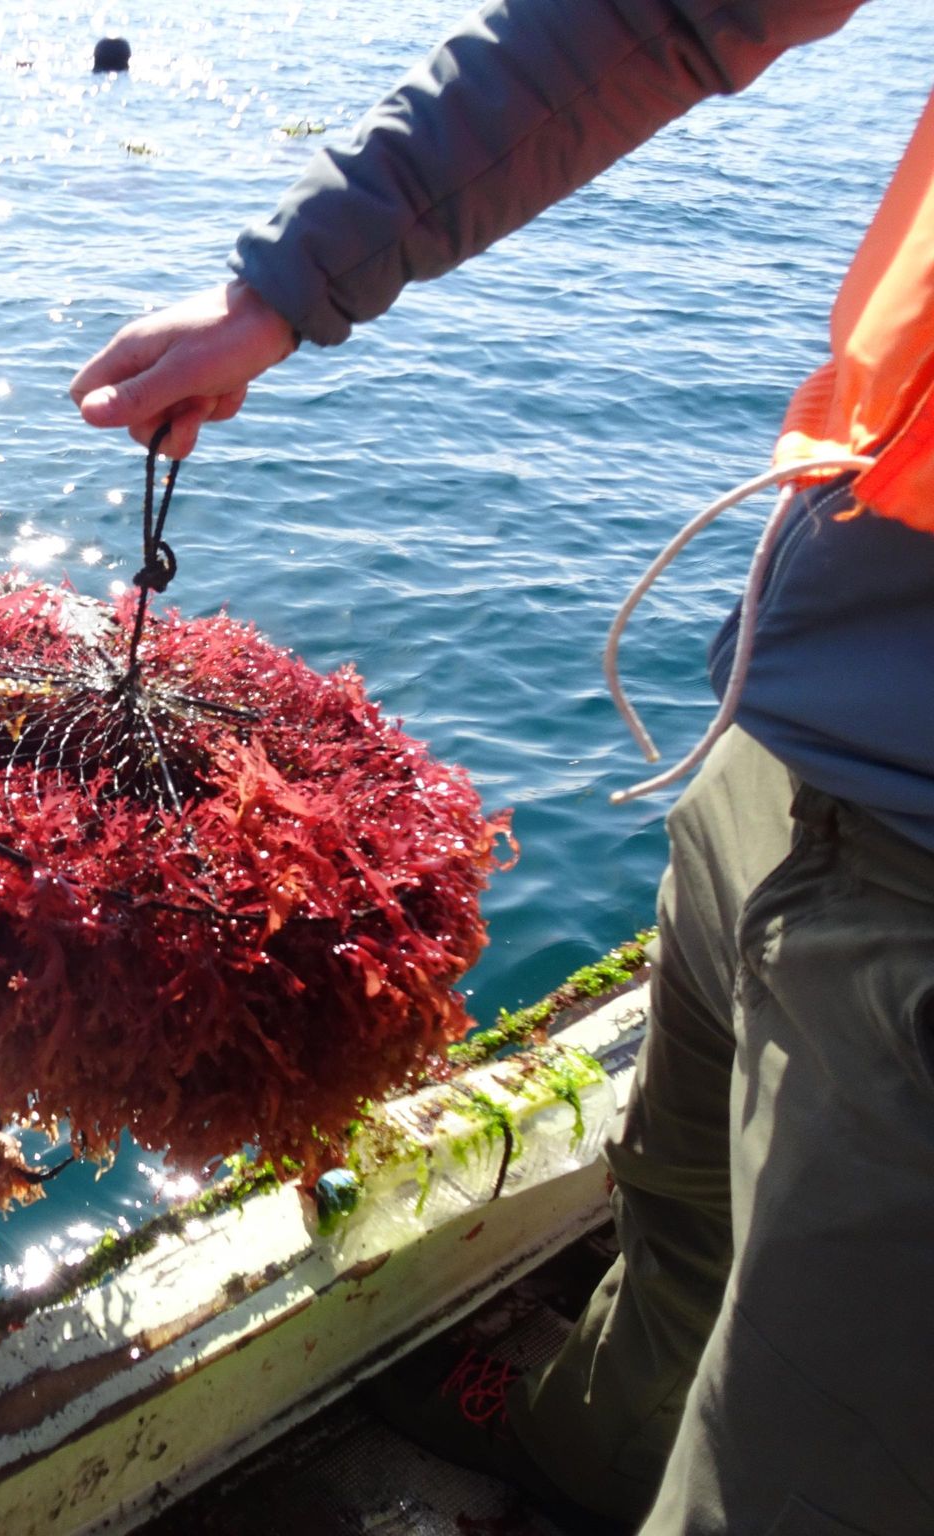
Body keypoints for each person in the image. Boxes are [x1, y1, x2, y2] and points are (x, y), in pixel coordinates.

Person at [69, 2, 934, 1533]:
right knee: (682, 1203)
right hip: (799, 716)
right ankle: (593, 1440)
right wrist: (281, 287)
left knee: (817, 1460)